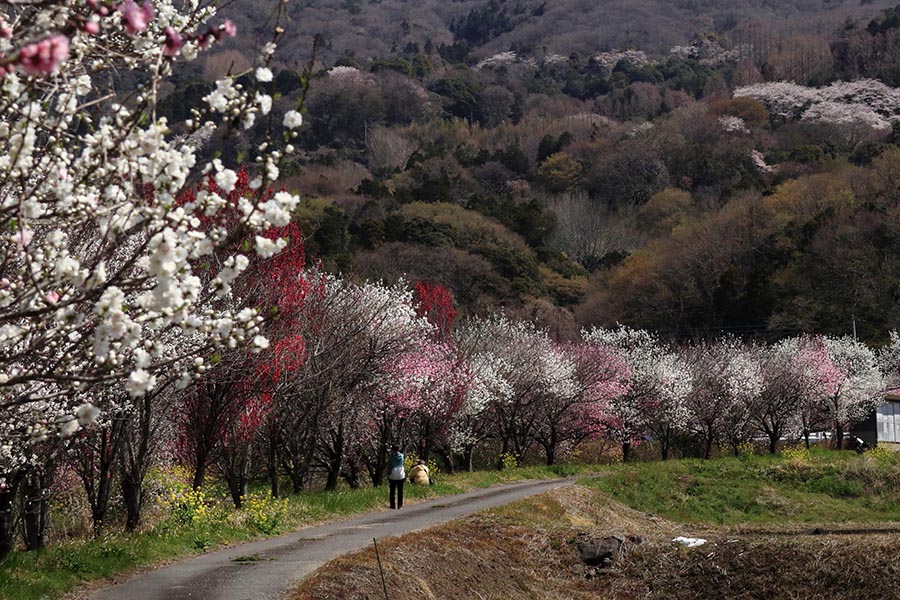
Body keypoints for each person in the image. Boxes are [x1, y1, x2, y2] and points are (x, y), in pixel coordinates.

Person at [387, 445, 405, 509]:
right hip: (400, 475)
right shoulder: (402, 456)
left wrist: (388, 474)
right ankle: (400, 505)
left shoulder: (391, 457)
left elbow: (390, 466)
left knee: (392, 491)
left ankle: (392, 505)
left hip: (393, 475)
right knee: (400, 491)